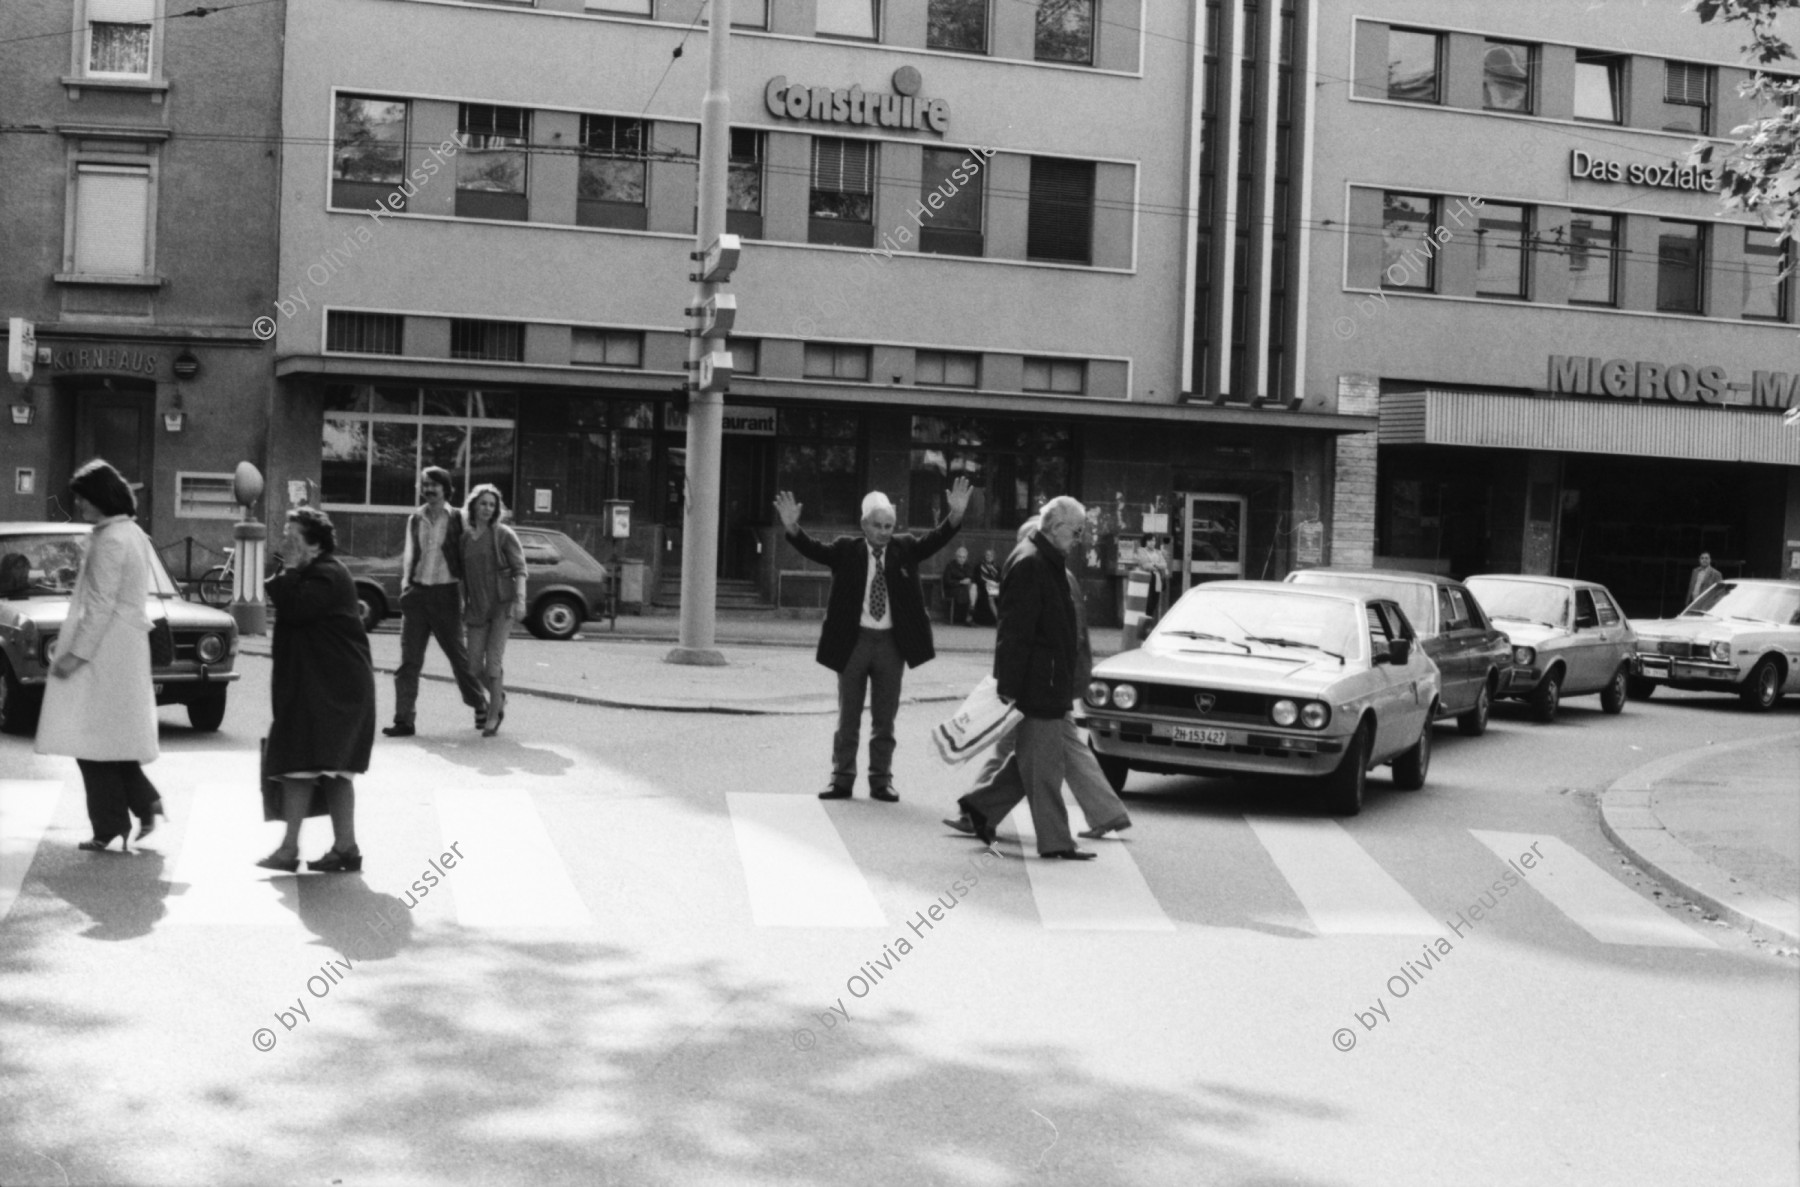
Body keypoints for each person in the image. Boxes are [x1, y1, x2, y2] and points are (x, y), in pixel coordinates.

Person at [775, 478, 973, 802]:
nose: (884, 532)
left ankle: (881, 780)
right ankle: (841, 778)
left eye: (889, 526)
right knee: (848, 716)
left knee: (885, 718)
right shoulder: (845, 550)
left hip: (890, 646)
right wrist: (793, 528)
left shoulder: (905, 548)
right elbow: (814, 550)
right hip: (854, 643)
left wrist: (954, 516)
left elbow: (935, 540)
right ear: (864, 525)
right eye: (878, 526)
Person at [945, 514, 1130, 843]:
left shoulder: (1049, 571)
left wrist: (1015, 683)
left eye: (1023, 540)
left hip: (1043, 685)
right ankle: (1105, 812)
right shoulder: (1050, 569)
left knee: (1019, 748)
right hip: (1048, 682)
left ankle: (976, 811)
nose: (1019, 549)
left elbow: (1056, 635)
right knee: (1037, 752)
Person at [36, 459, 167, 852]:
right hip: (124, 647)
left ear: (99, 497)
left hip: (104, 649)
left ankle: (111, 823)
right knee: (109, 738)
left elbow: (100, 605)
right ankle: (142, 803)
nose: (79, 505)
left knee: (90, 739)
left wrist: (76, 654)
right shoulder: (132, 534)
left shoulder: (109, 540)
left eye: (82, 498)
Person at [957, 497, 1095, 860]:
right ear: (1056, 527)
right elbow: (1014, 634)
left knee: (1029, 763)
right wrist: (1011, 690)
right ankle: (1057, 841)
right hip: (1037, 686)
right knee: (1047, 768)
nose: (1080, 538)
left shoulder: (1041, 558)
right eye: (1077, 530)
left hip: (1045, 681)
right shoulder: (1032, 562)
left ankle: (980, 808)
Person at [258, 508, 377, 873]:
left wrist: (290, 568)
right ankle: (344, 848)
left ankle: (291, 849)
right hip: (327, 687)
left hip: (332, 692)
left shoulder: (324, 575)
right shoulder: (321, 572)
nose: (283, 540)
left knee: (303, 765)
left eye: (291, 535)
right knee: (327, 768)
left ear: (312, 541)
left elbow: (295, 608)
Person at [385, 466, 488, 737]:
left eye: (434, 485)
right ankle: (403, 720)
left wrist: (472, 598)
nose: (429, 489)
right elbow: (409, 556)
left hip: (446, 596)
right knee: (409, 662)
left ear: (446, 488)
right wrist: (406, 588)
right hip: (417, 596)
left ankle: (481, 703)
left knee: (459, 659)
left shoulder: (459, 518)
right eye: (425, 484)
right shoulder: (415, 519)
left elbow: (471, 556)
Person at [460, 483, 527, 737]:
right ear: (474, 505)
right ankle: (498, 697)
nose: (487, 508)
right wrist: (460, 602)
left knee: (492, 665)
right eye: (483, 503)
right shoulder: (465, 537)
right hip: (477, 608)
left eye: (492, 504)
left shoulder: (503, 534)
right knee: (473, 668)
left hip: (502, 606)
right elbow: (462, 575)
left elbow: (520, 569)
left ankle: (493, 714)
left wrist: (520, 599)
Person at [942, 547, 975, 625]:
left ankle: (970, 610)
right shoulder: (950, 566)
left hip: (966, 588)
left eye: (964, 557)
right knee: (968, 590)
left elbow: (972, 577)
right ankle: (970, 614)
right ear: (956, 557)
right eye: (960, 557)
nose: (961, 559)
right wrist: (960, 582)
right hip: (952, 588)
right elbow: (947, 581)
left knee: (974, 586)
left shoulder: (967, 566)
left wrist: (969, 580)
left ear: (966, 558)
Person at [971, 548, 1000, 627]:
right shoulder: (979, 567)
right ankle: (999, 620)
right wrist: (987, 583)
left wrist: (995, 584)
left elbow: (1000, 579)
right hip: (983, 588)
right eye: (987, 555)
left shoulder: (997, 568)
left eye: (990, 555)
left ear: (993, 557)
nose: (988, 556)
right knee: (990, 597)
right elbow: (976, 579)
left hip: (995, 588)